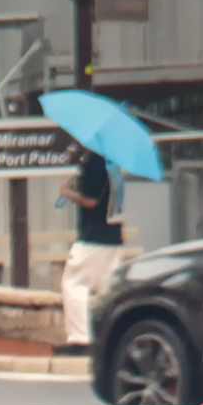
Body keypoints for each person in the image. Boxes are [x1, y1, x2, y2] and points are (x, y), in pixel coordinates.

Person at [58, 149, 126, 355]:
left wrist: (67, 192)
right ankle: (109, 339)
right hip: (113, 236)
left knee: (73, 284)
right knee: (106, 291)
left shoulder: (95, 163)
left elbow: (91, 201)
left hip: (93, 237)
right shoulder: (114, 165)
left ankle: (81, 341)